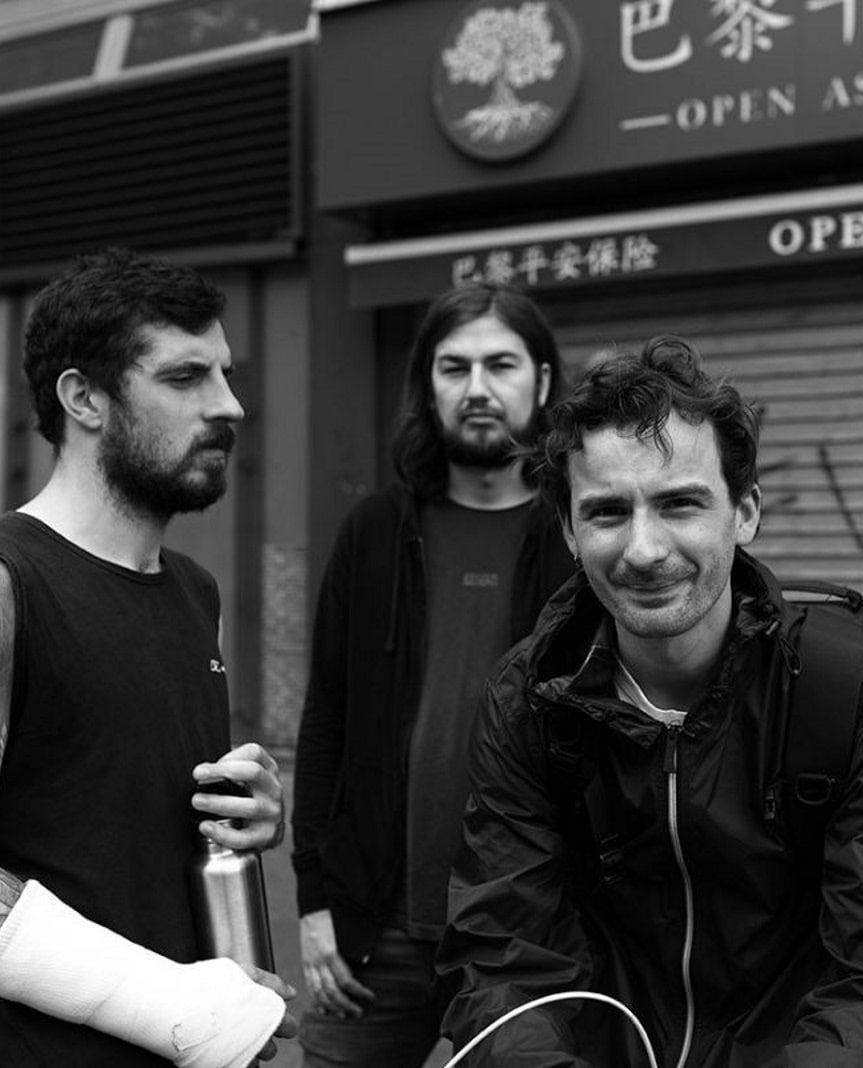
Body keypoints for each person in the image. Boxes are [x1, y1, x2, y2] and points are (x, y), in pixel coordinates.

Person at [437, 336, 863, 1067]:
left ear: (745, 512)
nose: (645, 550)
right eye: (607, 512)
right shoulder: (530, 699)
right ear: (569, 532)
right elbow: (501, 951)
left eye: (679, 503)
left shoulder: (848, 688)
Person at [0, 247, 297, 1067]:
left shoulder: (194, 591)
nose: (229, 404)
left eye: (226, 374)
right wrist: (174, 1006)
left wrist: (248, 819)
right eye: (185, 377)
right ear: (84, 398)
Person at [289, 283, 577, 1066]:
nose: (477, 388)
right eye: (454, 367)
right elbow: (326, 722)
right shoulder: (373, 532)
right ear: (428, 385)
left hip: (529, 932)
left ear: (541, 382)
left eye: (500, 365)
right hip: (377, 928)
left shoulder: (581, 536)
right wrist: (314, 902)